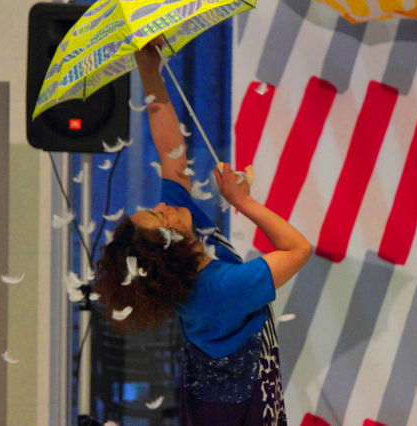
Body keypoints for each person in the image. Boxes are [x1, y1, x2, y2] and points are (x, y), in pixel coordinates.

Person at [94, 40, 311, 425]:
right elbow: (297, 249)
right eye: (159, 216)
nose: (164, 205)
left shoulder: (189, 239)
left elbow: (172, 157)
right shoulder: (223, 289)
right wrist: (243, 202)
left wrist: (149, 70)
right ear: (170, 250)